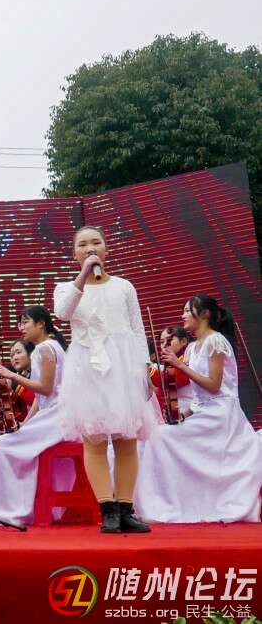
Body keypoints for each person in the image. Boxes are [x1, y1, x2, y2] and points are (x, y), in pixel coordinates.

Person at [53, 226, 159, 534]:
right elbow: (62, 313)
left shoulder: (124, 286)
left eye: (95, 242)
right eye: (82, 245)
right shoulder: (66, 287)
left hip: (124, 367)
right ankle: (107, 509)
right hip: (87, 368)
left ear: (106, 249)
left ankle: (126, 508)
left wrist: (144, 368)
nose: (90, 248)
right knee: (95, 438)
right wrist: (83, 276)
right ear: (75, 254)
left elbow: (137, 329)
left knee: (127, 438)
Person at [135, 296, 262, 523]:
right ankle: (168, 504)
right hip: (203, 413)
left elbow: (213, 385)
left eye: (187, 311)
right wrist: (184, 414)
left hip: (221, 415)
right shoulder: (193, 348)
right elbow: (198, 397)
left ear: (204, 314)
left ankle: (167, 506)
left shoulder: (216, 342)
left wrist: (179, 365)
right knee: (159, 435)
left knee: (161, 437)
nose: (183, 315)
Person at [0, 307, 73, 525]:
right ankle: (3, 505)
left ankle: (2, 507)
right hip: (53, 415)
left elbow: (45, 389)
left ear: (41, 324)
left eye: (25, 322)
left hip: (56, 418)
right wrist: (26, 424)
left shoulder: (45, 348)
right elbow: (39, 399)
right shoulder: (50, 347)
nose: (21, 327)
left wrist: (11, 375)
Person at [149, 325, 193, 422]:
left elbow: (171, 380)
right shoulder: (168, 363)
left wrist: (148, 371)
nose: (164, 345)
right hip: (176, 414)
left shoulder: (189, 358)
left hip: (190, 412)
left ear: (183, 341)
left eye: (169, 340)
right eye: (162, 342)